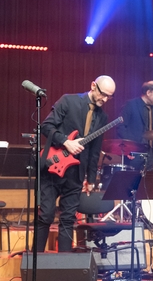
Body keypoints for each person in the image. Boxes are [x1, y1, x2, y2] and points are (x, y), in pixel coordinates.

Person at [37, 76, 116, 252]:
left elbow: (95, 150)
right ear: (93, 86)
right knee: (46, 215)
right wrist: (66, 142)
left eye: (109, 97)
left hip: (76, 173)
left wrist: (91, 178)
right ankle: (36, 261)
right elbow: (46, 126)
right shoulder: (68, 101)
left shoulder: (102, 116)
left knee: (68, 219)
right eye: (103, 94)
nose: (105, 99)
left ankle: (64, 263)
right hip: (53, 166)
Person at [117, 81, 153, 170]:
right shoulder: (131, 105)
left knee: (147, 178)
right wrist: (127, 148)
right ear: (148, 92)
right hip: (134, 153)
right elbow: (120, 127)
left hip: (150, 154)